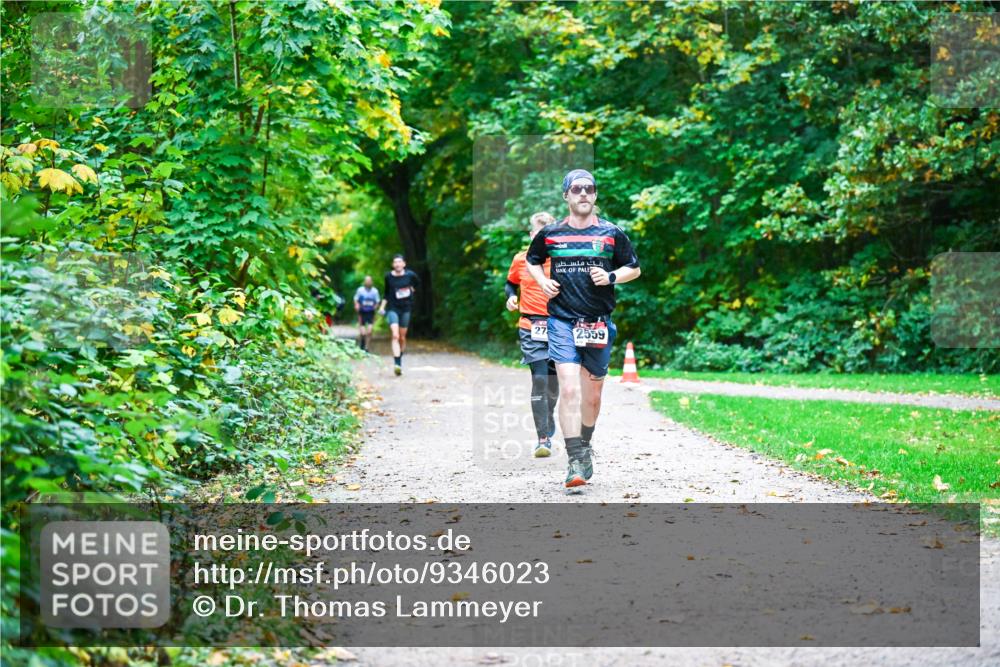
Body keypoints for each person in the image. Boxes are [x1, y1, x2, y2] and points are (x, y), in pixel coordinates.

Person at [525, 169, 641, 488]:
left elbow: (634, 268)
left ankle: (585, 445)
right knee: (569, 389)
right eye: (576, 189)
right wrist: (542, 281)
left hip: (598, 323)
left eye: (589, 188)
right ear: (566, 195)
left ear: (595, 194)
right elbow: (532, 260)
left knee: (592, 398)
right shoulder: (550, 234)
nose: (584, 193)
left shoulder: (611, 233)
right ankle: (574, 459)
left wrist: (612, 276)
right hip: (561, 320)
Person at [505, 212, 559, 458]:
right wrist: (511, 297)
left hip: (559, 327)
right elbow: (510, 283)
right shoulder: (521, 259)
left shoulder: (562, 259)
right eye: (539, 232)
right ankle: (543, 439)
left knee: (554, 385)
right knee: (539, 379)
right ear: (531, 234)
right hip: (530, 326)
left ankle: (548, 415)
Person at [378, 254, 420, 376]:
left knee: (402, 337)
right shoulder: (388, 277)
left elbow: (417, 283)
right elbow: (386, 293)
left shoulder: (410, 275)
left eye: (399, 262)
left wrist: (412, 288)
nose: (397, 264)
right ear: (393, 265)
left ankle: (399, 357)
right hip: (393, 308)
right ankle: (397, 364)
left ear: (404, 264)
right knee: (395, 335)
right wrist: (382, 307)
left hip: (406, 308)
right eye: (395, 262)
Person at [353, 276, 380, 352]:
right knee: (363, 332)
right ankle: (362, 343)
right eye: (366, 281)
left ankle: (367, 347)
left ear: (372, 282)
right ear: (364, 282)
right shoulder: (360, 290)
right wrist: (356, 305)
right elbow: (355, 299)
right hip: (362, 312)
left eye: (369, 281)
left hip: (371, 313)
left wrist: (375, 307)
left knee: (369, 331)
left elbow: (377, 301)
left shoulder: (375, 291)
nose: (368, 282)